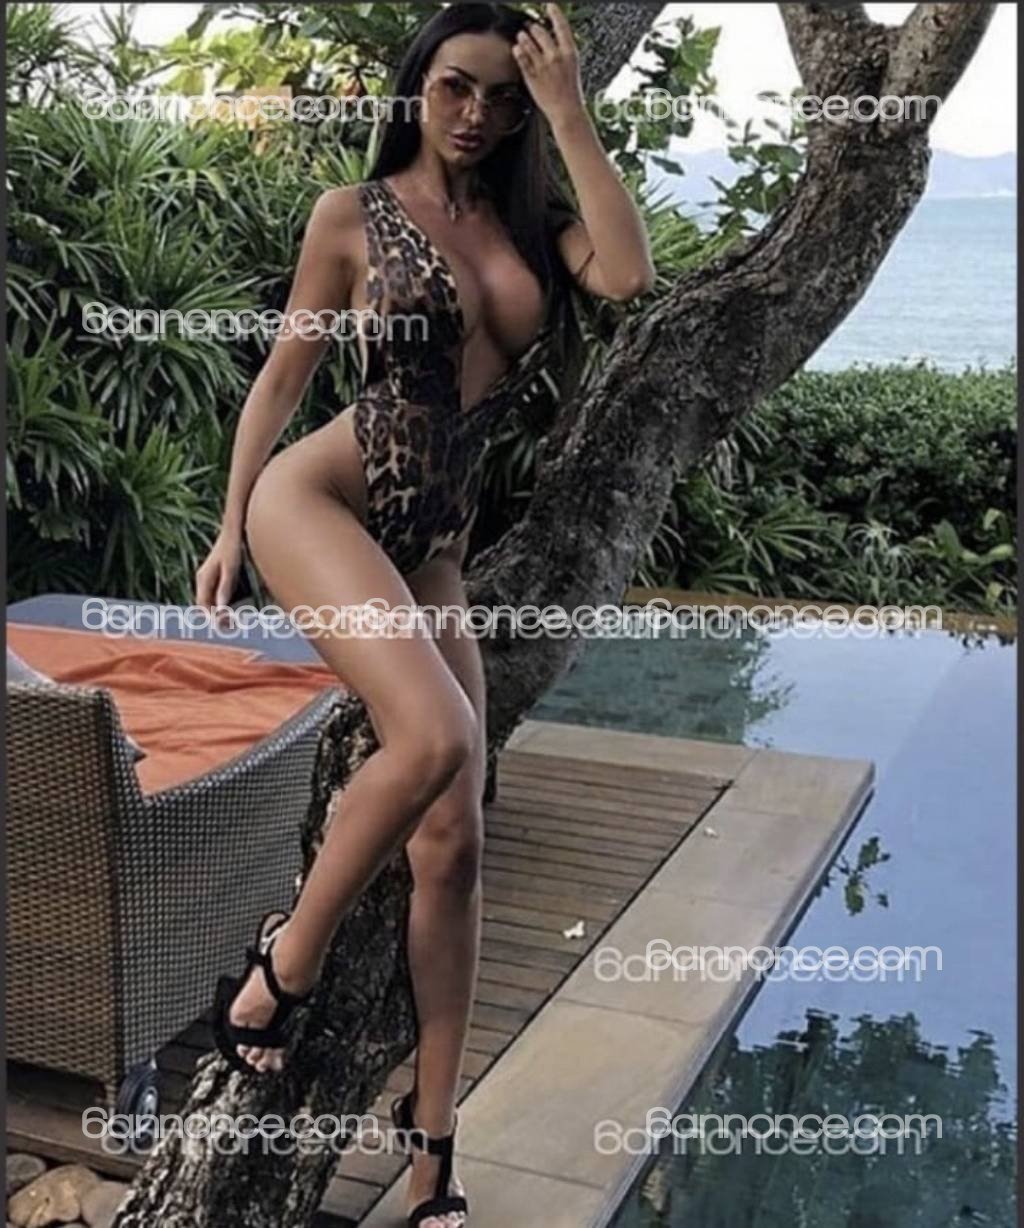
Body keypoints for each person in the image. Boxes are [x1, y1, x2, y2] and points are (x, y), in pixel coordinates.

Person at [195, 3, 654, 1224]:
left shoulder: (531, 226)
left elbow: (628, 274)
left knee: (456, 841)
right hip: (318, 501)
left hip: (434, 546)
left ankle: (433, 1146)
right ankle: (282, 965)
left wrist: (568, 112)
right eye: (457, 85)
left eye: (501, 96)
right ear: (418, 85)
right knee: (438, 734)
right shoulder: (350, 214)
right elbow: (283, 376)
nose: (475, 113)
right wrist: (231, 524)